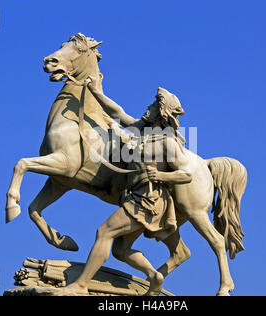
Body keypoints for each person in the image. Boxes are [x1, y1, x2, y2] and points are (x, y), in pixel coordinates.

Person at [59, 76, 192, 296]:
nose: (147, 107)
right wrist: (96, 92)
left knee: (103, 232)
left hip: (148, 200)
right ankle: (154, 276)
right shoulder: (143, 132)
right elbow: (119, 114)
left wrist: (160, 174)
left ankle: (80, 286)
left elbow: (186, 174)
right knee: (120, 250)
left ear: (161, 112)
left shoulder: (167, 142)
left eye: (152, 105)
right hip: (135, 197)